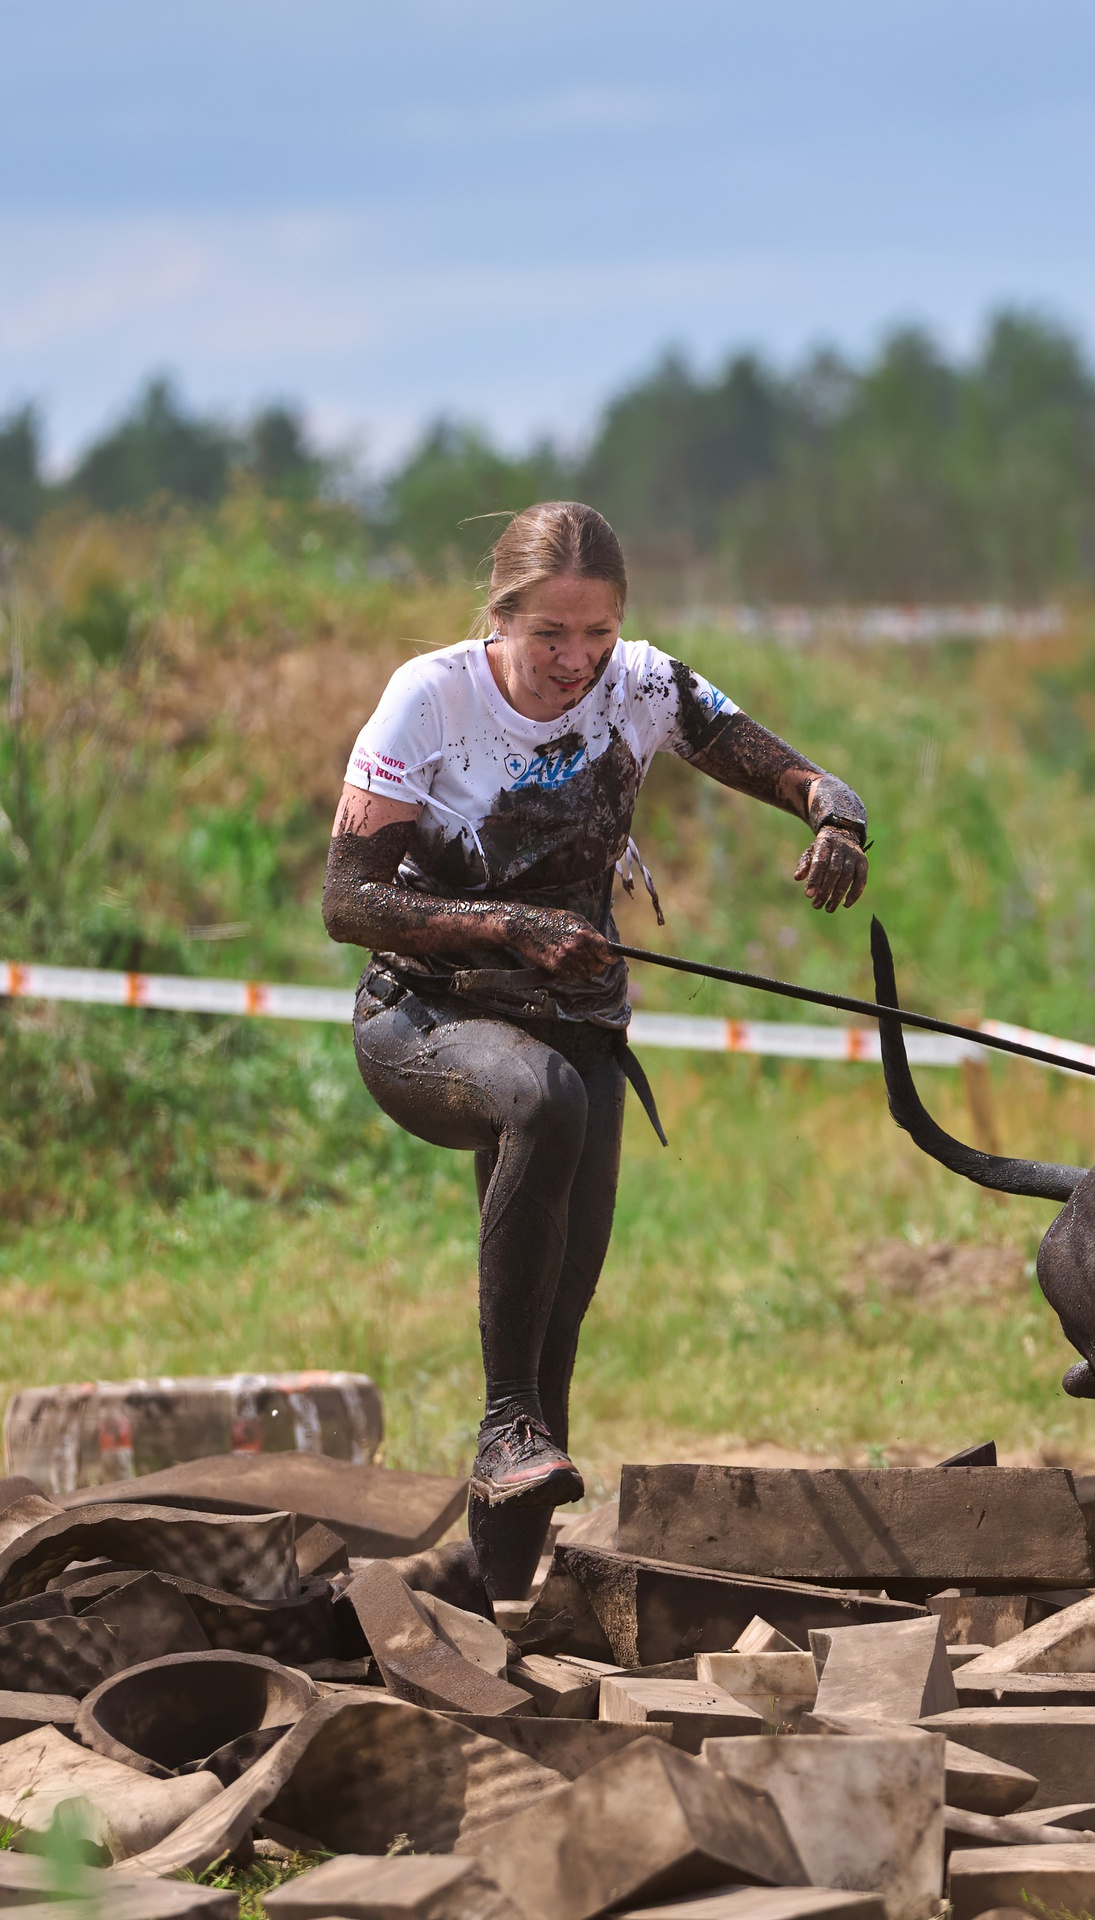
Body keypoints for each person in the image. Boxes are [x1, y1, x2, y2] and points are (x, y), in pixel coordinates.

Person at [321, 500, 870, 1598]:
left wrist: (836, 816)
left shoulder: (642, 686)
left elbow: (782, 767)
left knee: (551, 1315)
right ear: (498, 618)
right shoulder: (430, 699)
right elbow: (349, 902)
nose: (576, 662)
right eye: (550, 635)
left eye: (599, 634)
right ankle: (505, 1425)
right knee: (541, 1098)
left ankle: (499, 1596)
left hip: (579, 1021)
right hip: (423, 1017)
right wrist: (507, 928)